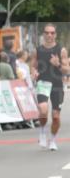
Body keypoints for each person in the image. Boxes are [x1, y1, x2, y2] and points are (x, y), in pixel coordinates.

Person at [33, 23, 69, 151]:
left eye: (52, 33)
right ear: (43, 34)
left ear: (56, 35)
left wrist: (58, 64)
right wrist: (34, 72)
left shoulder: (61, 50)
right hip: (43, 82)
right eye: (47, 32)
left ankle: (53, 139)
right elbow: (34, 65)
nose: (49, 35)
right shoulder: (38, 50)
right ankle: (42, 131)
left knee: (55, 116)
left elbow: (66, 71)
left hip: (57, 85)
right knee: (43, 110)